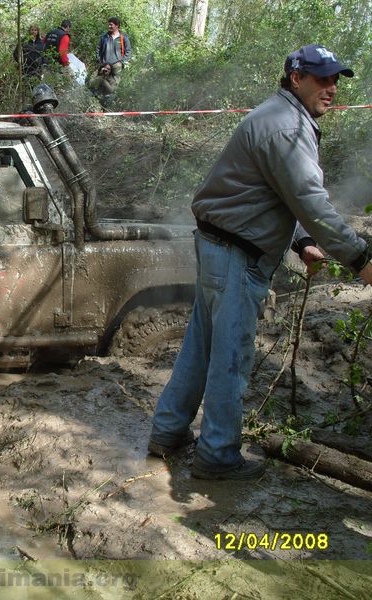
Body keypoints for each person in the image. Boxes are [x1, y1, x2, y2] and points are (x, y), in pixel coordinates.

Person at [148, 44, 372, 480]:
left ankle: (169, 432)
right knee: (230, 359)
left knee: (201, 348)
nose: (331, 89)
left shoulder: (279, 117)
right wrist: (362, 259)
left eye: (335, 80)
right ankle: (216, 457)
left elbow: (271, 197)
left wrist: (302, 241)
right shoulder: (287, 128)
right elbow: (312, 204)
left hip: (221, 248)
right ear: (295, 78)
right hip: (236, 256)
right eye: (322, 78)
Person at [96, 16, 131, 81]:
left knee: (111, 87)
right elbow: (98, 49)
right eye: (108, 24)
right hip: (104, 65)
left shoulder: (123, 37)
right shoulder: (104, 36)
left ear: (117, 25)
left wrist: (121, 63)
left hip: (116, 67)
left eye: (111, 25)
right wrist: (99, 60)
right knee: (98, 82)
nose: (109, 26)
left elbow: (128, 51)